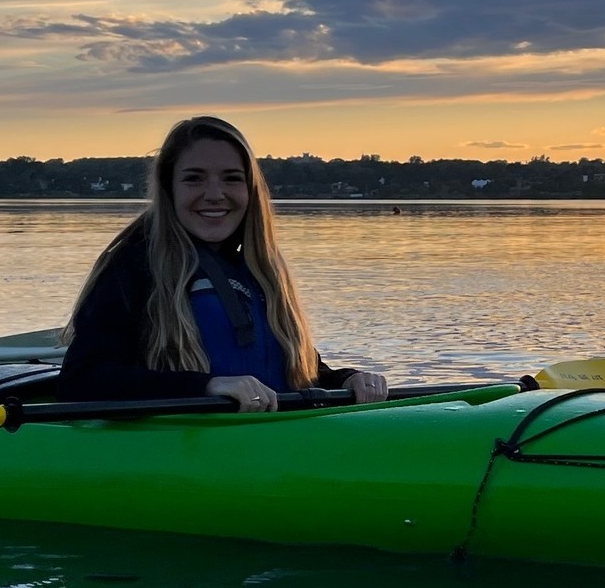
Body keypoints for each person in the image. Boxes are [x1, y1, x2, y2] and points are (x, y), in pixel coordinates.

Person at [61, 115, 386, 411]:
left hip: (274, 446)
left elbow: (296, 371)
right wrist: (205, 387)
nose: (215, 194)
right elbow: (82, 379)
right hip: (185, 454)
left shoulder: (260, 272)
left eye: (231, 178)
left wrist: (344, 379)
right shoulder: (133, 267)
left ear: (250, 190)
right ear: (169, 189)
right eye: (194, 179)